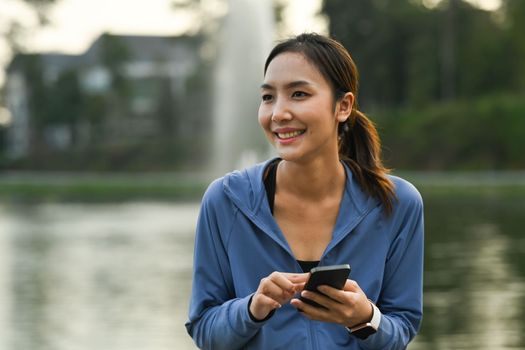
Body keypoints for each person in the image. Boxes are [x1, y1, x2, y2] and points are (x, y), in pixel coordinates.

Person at [185, 33, 424, 350]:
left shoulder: (397, 203)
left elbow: (402, 328)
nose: (278, 113)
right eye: (268, 97)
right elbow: (205, 330)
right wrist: (252, 309)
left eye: (298, 94)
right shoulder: (225, 200)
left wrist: (364, 317)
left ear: (343, 106)